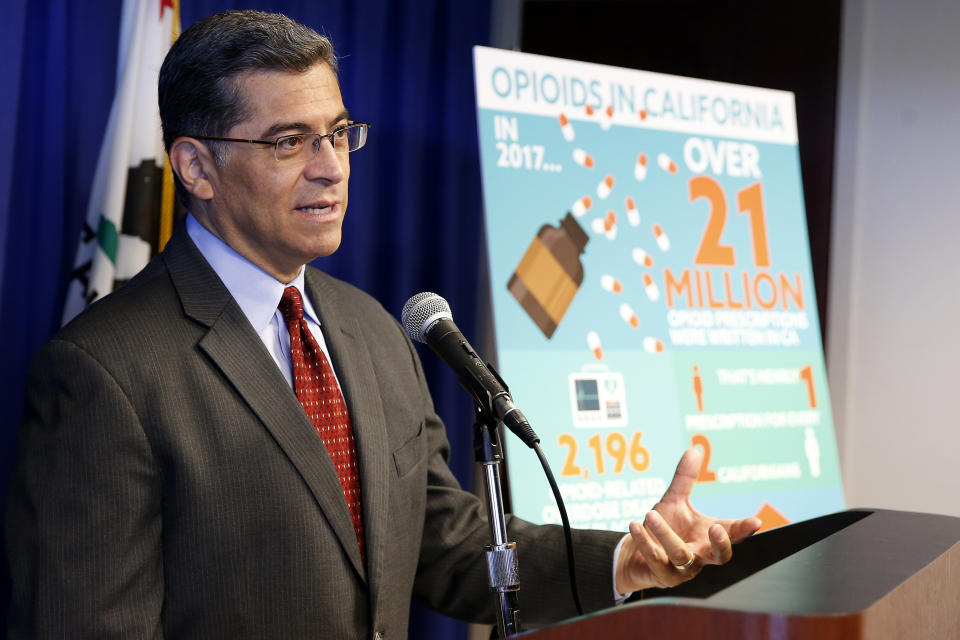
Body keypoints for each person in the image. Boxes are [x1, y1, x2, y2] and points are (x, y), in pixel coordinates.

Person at [6, 10, 760, 639]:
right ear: (196, 167)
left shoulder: (372, 329)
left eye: (337, 133)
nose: (330, 166)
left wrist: (630, 560)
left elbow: (446, 543)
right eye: (287, 141)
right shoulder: (104, 373)